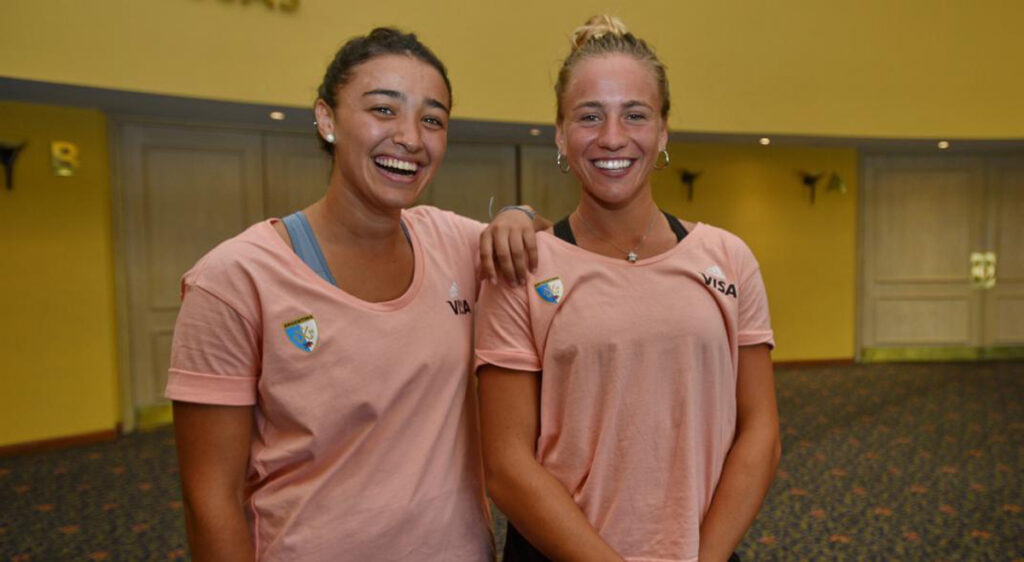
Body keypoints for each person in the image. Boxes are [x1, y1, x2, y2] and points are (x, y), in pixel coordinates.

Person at [166, 27, 547, 561]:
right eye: (384, 110)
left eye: (432, 119)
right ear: (326, 119)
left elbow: (554, 254)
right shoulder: (235, 279)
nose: (412, 138)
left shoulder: (454, 243)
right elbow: (211, 499)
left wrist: (518, 215)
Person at [475, 15, 781, 562]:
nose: (612, 137)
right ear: (560, 135)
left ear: (662, 131)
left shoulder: (728, 259)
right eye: (589, 116)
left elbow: (760, 430)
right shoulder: (522, 267)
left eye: (634, 115)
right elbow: (505, 465)